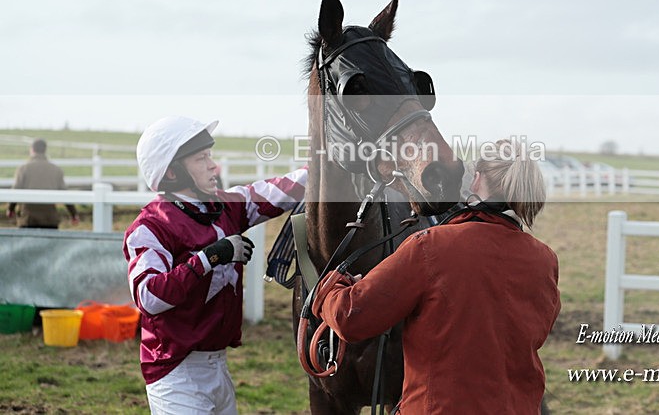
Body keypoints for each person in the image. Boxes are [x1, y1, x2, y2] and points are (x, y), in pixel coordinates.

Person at [313, 139, 560, 414]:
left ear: (476, 180)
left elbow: (351, 317)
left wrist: (329, 289)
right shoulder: (545, 259)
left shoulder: (431, 246)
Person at [123, 116, 306, 414]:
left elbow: (277, 191)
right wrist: (210, 257)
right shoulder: (150, 226)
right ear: (172, 172)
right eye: (201, 158)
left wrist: (328, 166)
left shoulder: (221, 205)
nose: (213, 166)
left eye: (210, 155)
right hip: (176, 374)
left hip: (218, 368)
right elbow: (149, 297)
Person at [5, 138, 80, 229]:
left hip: (28, 219)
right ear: (45, 150)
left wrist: (10, 209)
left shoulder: (23, 169)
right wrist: (73, 214)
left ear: (32, 149)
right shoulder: (56, 170)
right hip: (49, 219)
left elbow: (16, 190)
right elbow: (64, 194)